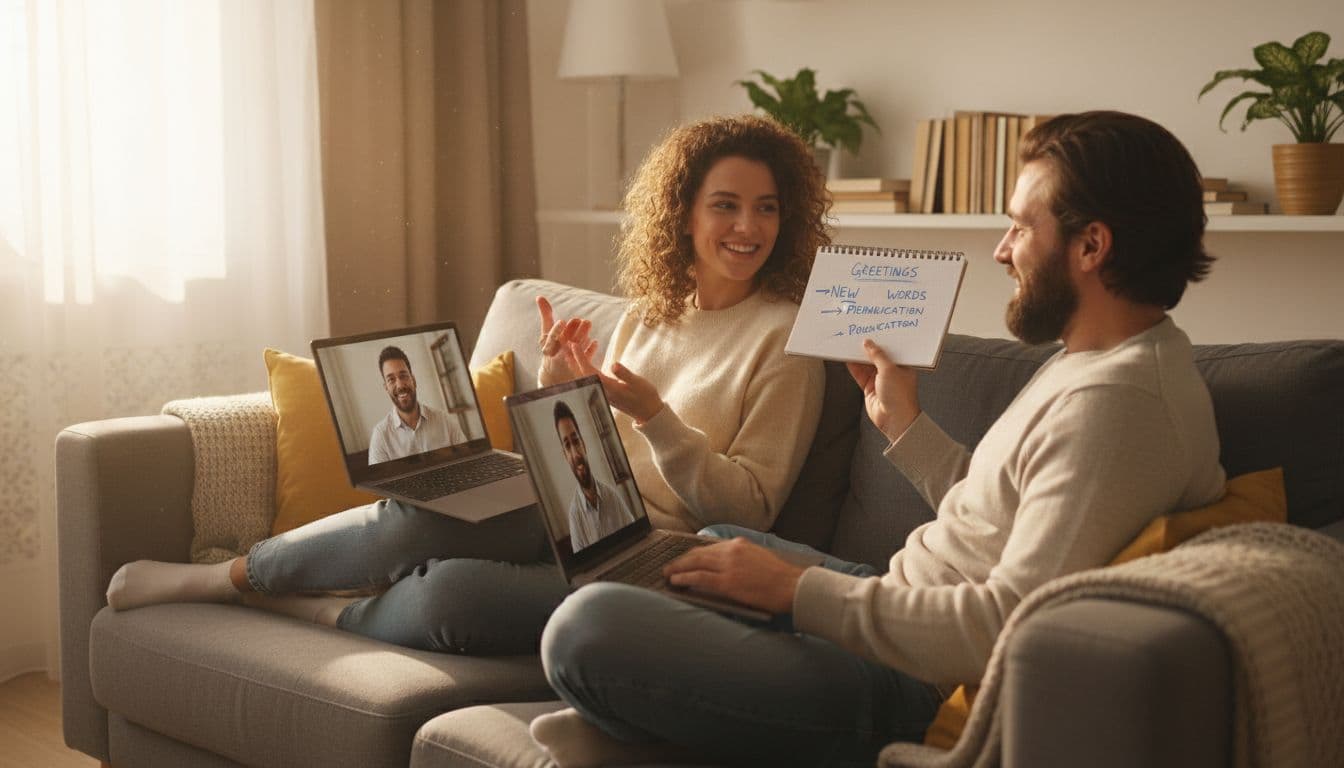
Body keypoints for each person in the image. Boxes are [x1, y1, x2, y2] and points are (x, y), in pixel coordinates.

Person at [531, 111, 1229, 767]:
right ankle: (646, 720)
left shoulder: (1120, 407)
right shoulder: (1092, 362)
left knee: (584, 627)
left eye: (1019, 227)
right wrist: (905, 426)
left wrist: (798, 590)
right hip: (897, 600)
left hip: (908, 680)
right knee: (708, 547)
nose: (1001, 250)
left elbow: (1009, 625)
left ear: (1091, 245)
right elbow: (998, 516)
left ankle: (638, 728)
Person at [103, 114, 830, 655]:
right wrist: (559, 391)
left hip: (657, 552)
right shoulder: (652, 313)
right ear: (685, 213)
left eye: (766, 207)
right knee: (425, 506)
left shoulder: (789, 341)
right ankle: (223, 576)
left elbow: (751, 511)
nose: (748, 227)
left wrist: (656, 418)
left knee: (454, 595)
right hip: (578, 506)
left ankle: (318, 610)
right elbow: (587, 455)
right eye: (726, 205)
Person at [553, 400, 635, 551]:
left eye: (576, 441)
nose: (575, 453)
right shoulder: (575, 516)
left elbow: (636, 537)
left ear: (583, 445)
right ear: (565, 455)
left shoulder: (612, 496)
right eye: (567, 445)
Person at [367, 345, 466, 464]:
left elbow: (468, 461)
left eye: (403, 376)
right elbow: (381, 482)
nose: (400, 385)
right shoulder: (380, 436)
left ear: (413, 380)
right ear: (386, 388)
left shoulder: (445, 420)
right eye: (391, 379)